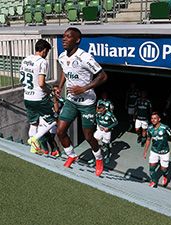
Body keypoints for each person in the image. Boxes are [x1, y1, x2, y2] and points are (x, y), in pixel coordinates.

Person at [55, 27, 108, 177]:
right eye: (63, 37)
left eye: (68, 37)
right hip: (71, 100)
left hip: (87, 102)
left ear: (77, 40)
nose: (64, 39)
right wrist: (60, 86)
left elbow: (103, 76)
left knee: (89, 136)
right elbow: (65, 72)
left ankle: (99, 158)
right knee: (60, 131)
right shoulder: (62, 56)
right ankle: (71, 155)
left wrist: (84, 88)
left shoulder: (85, 57)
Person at [19, 39, 58, 156]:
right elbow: (41, 83)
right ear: (44, 50)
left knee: (33, 123)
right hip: (39, 98)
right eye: (47, 52)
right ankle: (34, 139)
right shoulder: (42, 62)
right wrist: (50, 91)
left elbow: (21, 79)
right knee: (53, 121)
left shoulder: (25, 60)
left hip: (27, 97)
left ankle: (33, 148)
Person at [143, 112, 171, 188]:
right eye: (152, 118)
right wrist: (145, 151)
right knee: (152, 168)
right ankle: (154, 181)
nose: (153, 120)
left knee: (164, 169)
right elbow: (148, 139)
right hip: (154, 151)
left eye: (155, 118)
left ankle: (165, 175)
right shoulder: (149, 128)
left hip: (164, 152)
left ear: (159, 119)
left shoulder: (165, 128)